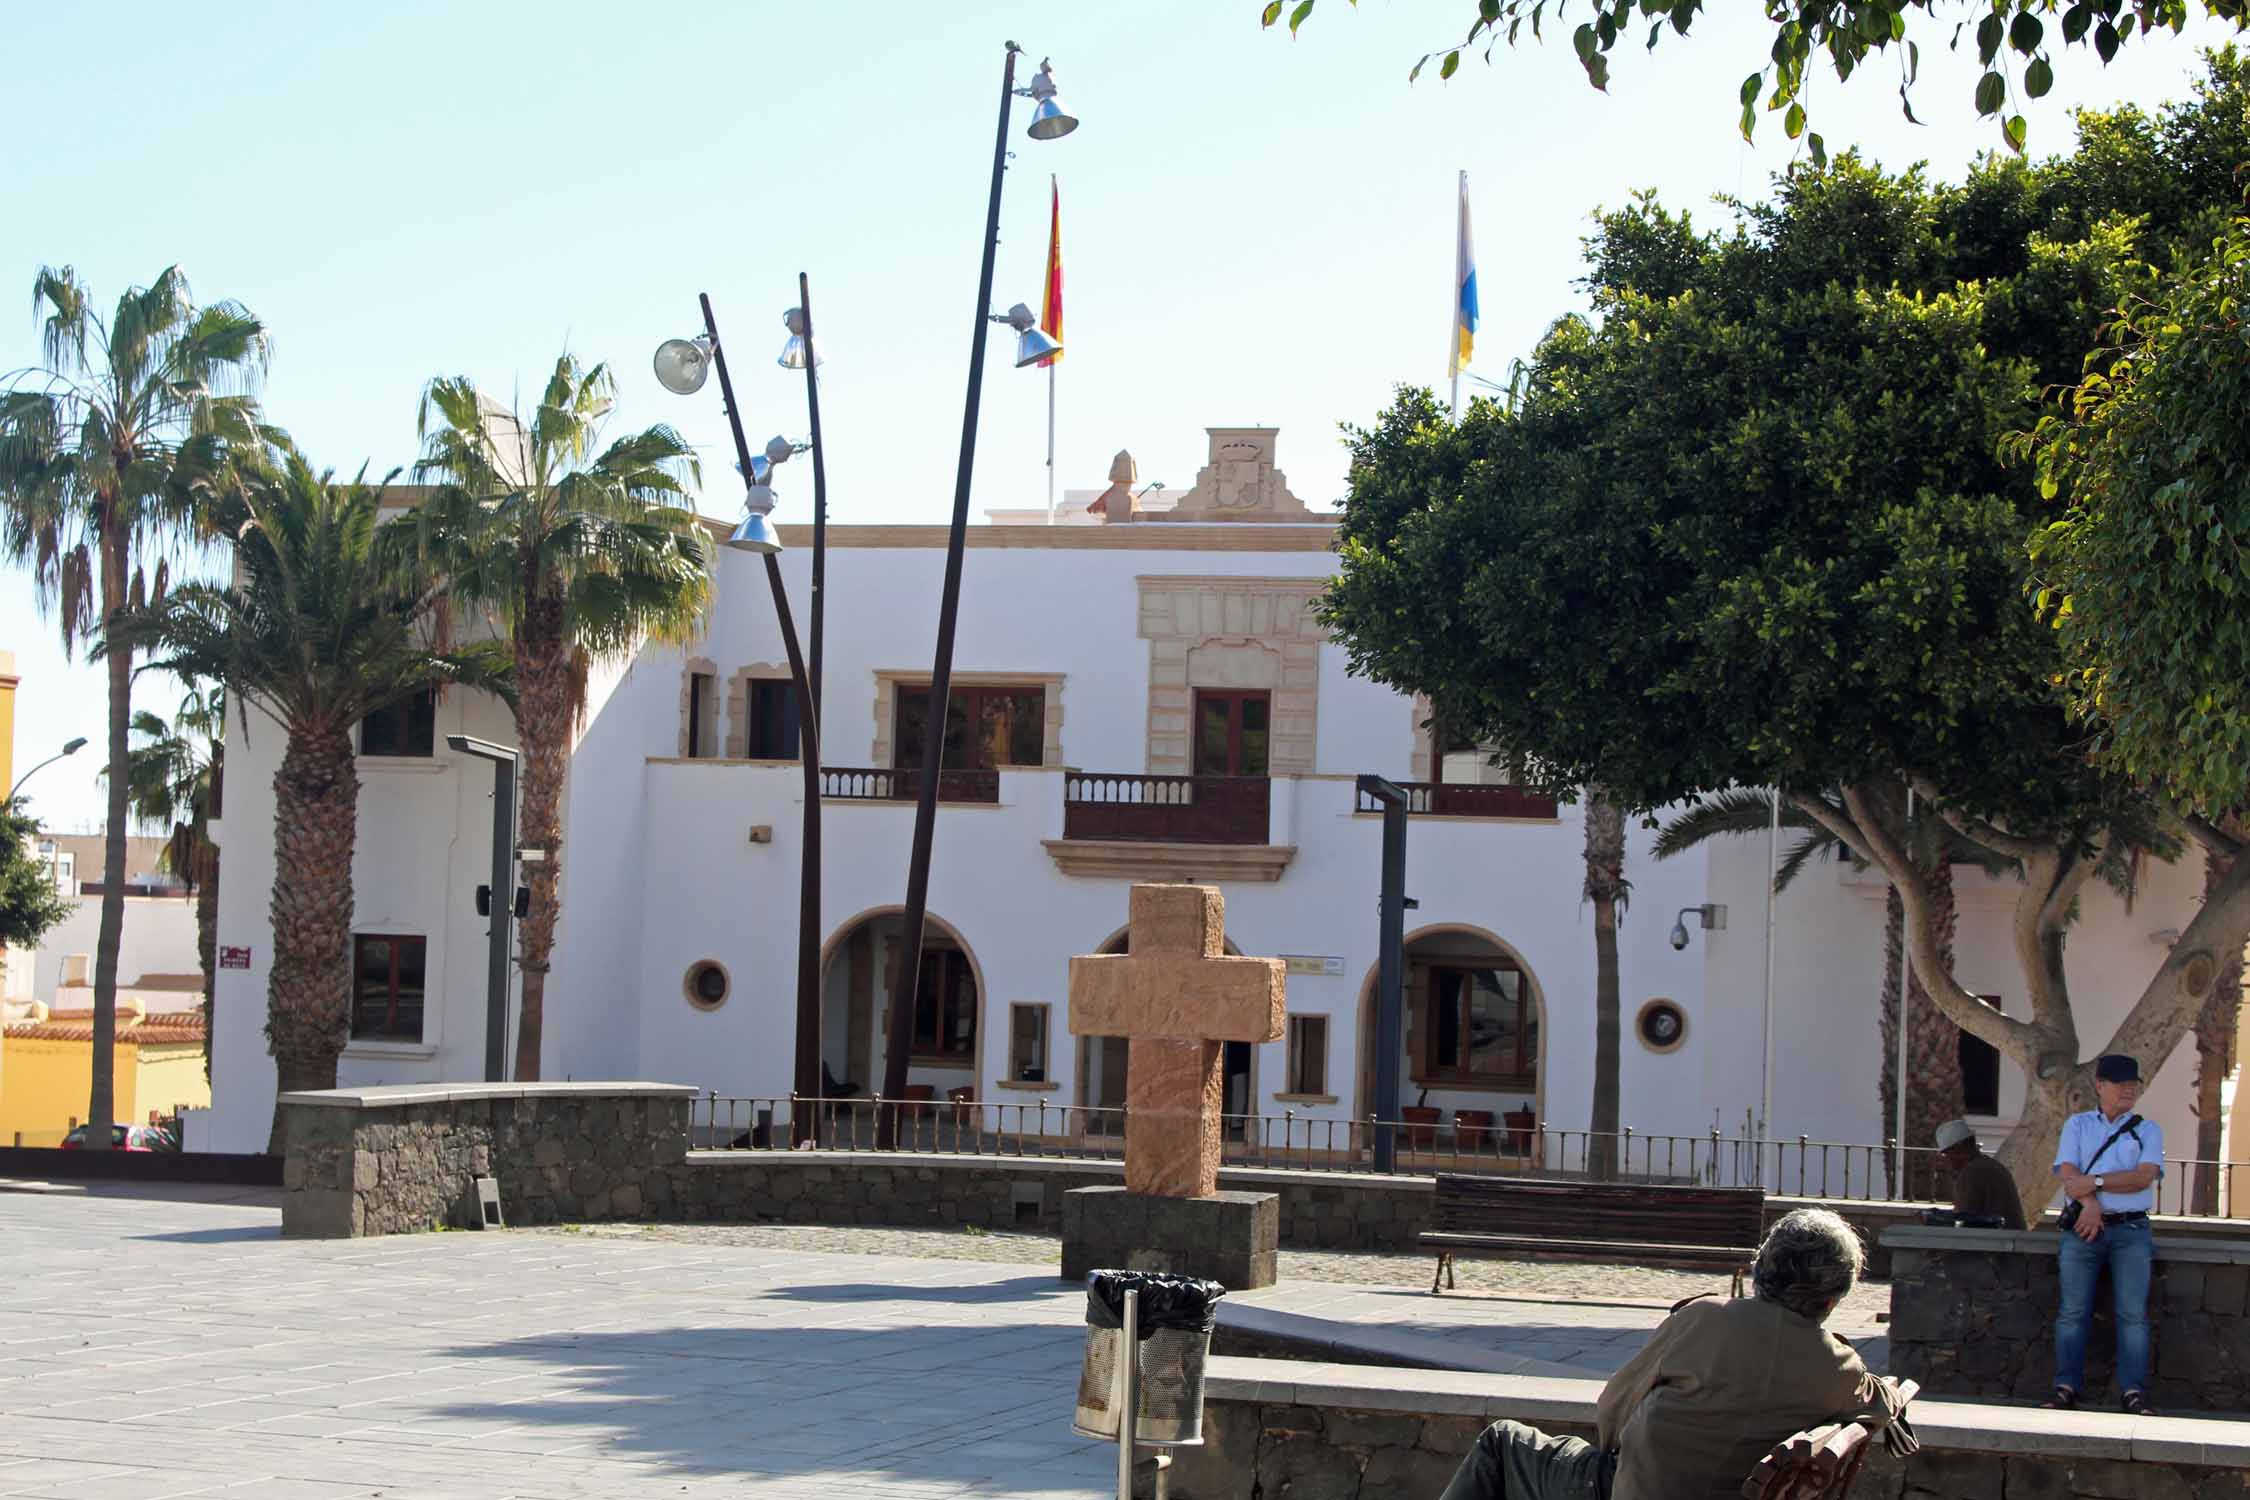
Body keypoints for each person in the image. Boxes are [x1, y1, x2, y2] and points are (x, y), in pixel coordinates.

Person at [1436, 1208, 1911, 1500]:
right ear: (1833, 1297)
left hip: (1623, 1490)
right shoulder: (1838, 1367)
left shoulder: (1705, 1319)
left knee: (1502, 1442)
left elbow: (1612, 1409)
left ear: (1762, 1267)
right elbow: (1879, 1399)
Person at [2048, 1053, 2164, 1415]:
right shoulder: (2078, 1125)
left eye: (2133, 1083)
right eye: (2120, 1082)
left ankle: (2133, 1393)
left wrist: (2094, 1183)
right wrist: (2092, 1204)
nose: (2129, 1089)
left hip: (2131, 1228)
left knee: (2133, 1315)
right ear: (2100, 1086)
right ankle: (2065, 1387)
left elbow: (2143, 1176)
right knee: (2072, 1312)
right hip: (2085, 1227)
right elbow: (2067, 1171)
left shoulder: (2148, 1129)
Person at [1936, 1118, 2027, 1230]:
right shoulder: (1989, 1165)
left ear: (1958, 1149)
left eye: (1946, 1154)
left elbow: (1963, 1221)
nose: (1946, 1160)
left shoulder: (1972, 1172)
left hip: (1998, 1243)